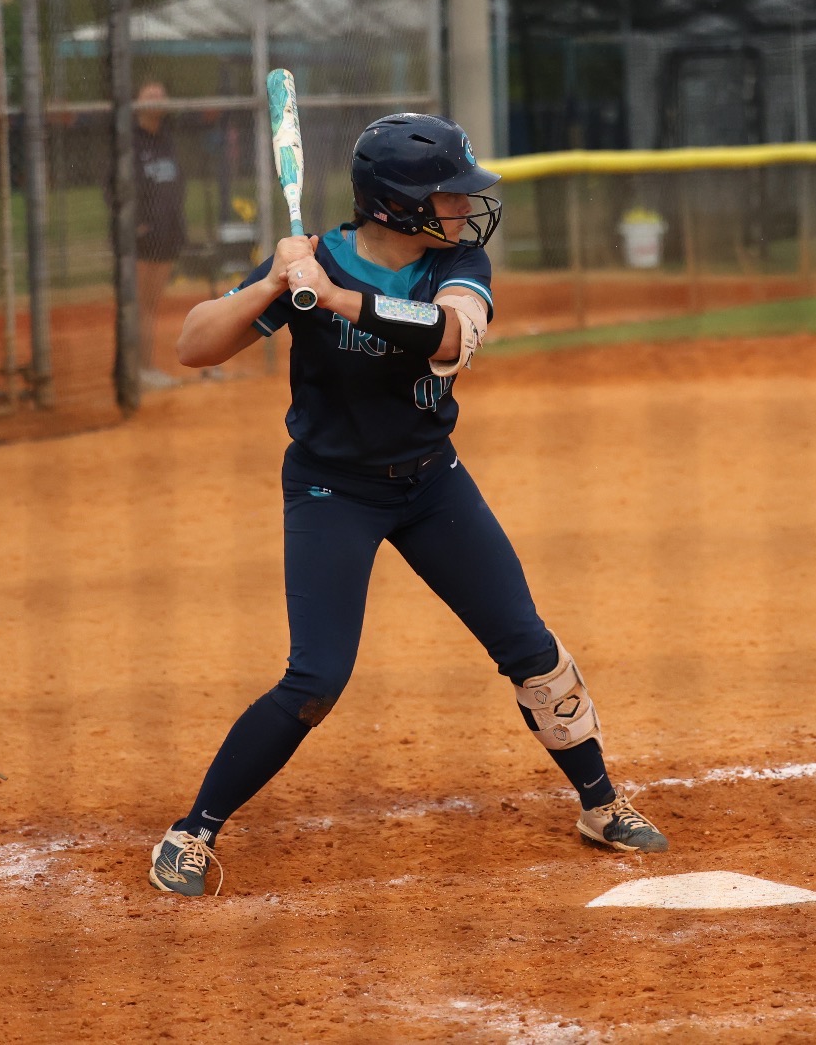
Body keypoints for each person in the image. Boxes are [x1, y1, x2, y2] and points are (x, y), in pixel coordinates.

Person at [147, 112, 668, 899]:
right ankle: (192, 830)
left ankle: (600, 803)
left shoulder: (458, 262)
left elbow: (453, 338)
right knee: (316, 677)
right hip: (332, 489)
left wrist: (336, 299)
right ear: (397, 203)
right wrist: (271, 285)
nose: (465, 205)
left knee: (527, 642)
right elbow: (191, 345)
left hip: (431, 482)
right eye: (449, 192)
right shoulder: (309, 264)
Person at [132, 80, 188, 389]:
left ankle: (145, 367)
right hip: (141, 239)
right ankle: (138, 369)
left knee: (151, 305)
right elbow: (114, 187)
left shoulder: (167, 140)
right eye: (149, 94)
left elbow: (177, 185)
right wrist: (136, 224)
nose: (156, 99)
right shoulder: (129, 142)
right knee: (139, 305)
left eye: (160, 94)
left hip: (167, 234)